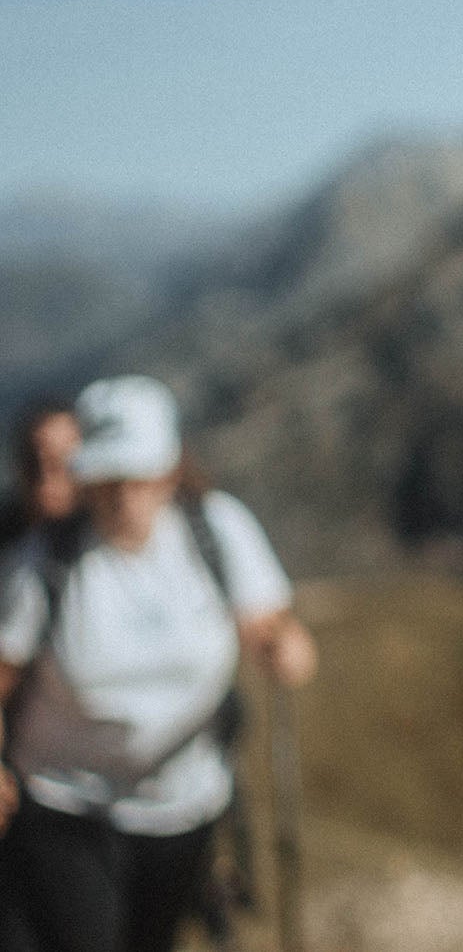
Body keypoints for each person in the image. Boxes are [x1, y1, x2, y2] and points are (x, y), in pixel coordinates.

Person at [0, 376, 316, 952]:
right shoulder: (46, 563)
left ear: (170, 472)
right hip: (66, 807)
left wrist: (284, 647)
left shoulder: (216, 530)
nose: (123, 496)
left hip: (184, 810)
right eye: (107, 479)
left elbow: (267, 621)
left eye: (138, 476)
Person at [0, 404, 78, 550]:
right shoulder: (9, 546)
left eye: (57, 464)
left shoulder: (110, 544)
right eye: (33, 463)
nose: (45, 478)